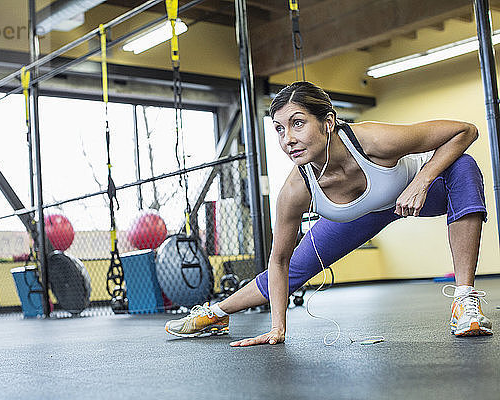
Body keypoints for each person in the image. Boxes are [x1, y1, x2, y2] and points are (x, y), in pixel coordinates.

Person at [164, 81, 493, 345]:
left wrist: (422, 180)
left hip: (413, 194)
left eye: (297, 124)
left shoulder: (371, 139)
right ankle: (215, 312)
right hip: (360, 215)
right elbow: (279, 262)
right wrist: (278, 327)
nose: (288, 139)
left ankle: (464, 300)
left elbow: (464, 131)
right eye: (279, 129)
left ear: (328, 123)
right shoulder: (295, 190)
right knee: (293, 268)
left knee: (463, 166)